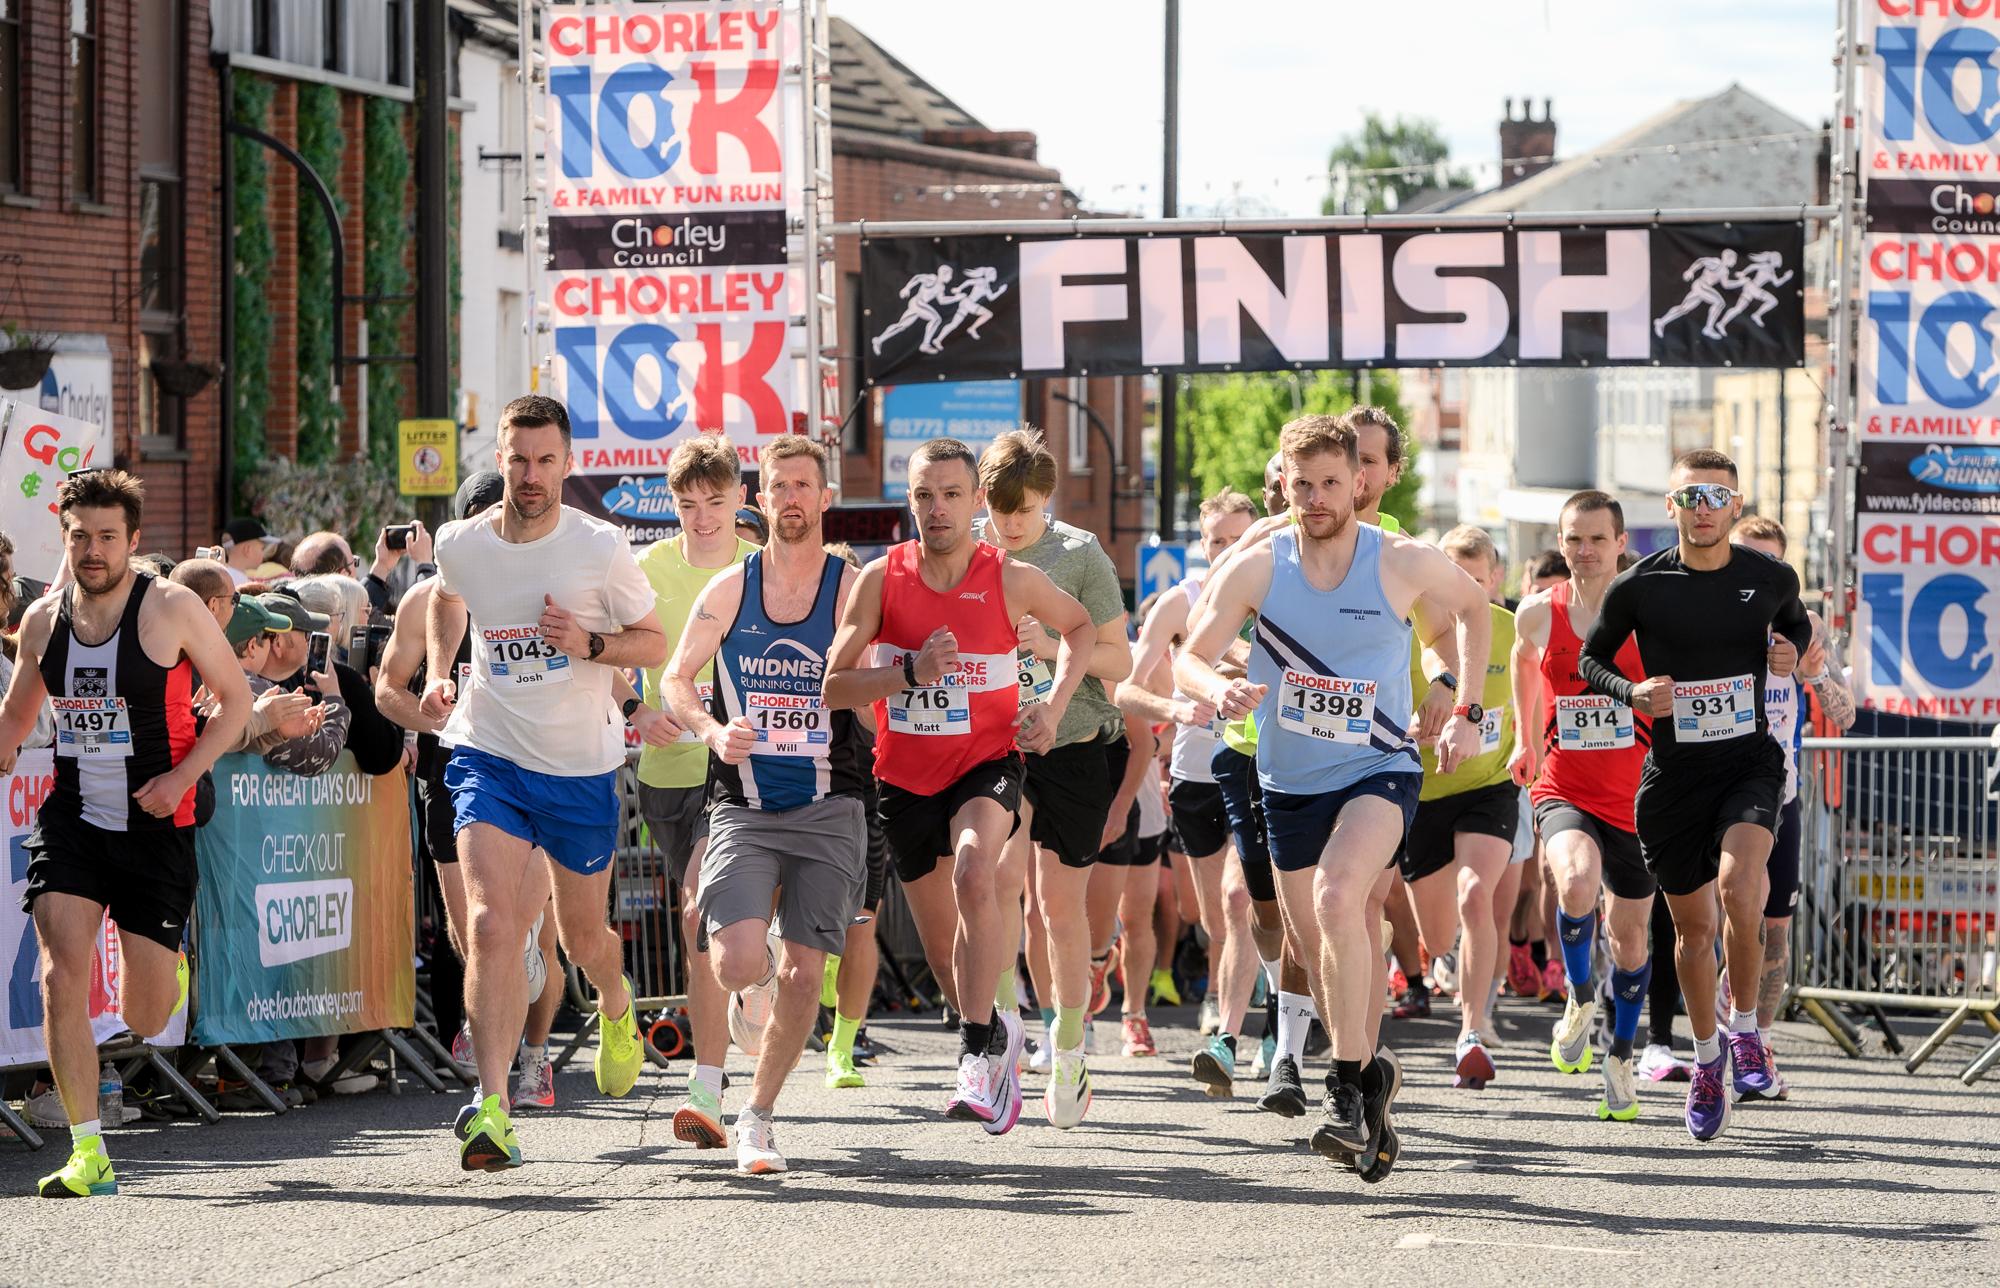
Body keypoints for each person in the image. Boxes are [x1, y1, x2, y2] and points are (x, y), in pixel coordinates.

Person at [1176, 414, 1491, 1180]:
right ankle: (1374, 1074)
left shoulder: (1400, 559)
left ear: (1360, 482)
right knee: (1317, 951)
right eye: (1300, 482)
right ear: (1281, 482)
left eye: (1330, 482)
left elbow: (1477, 608)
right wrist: (1218, 688)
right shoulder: (1259, 564)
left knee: (1338, 894)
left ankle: (1345, 1089)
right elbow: (1191, 656)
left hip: (1378, 766)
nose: (1315, 497)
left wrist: (1469, 708)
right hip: (1287, 780)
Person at [419, 395, 666, 1171]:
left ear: (567, 462)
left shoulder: (598, 547)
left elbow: (653, 640)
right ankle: (491, 1106)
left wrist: (589, 641)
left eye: (545, 460)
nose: (531, 475)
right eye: (518, 459)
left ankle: (616, 1004)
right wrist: (438, 672)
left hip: (579, 766)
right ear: (501, 458)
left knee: (584, 937)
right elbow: (447, 599)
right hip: (488, 750)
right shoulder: (461, 543)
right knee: (492, 926)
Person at [823, 436, 1093, 1134]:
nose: (936, 509)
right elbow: (832, 685)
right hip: (905, 775)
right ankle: (993, 1035)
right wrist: (907, 674)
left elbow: (1082, 629)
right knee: (949, 952)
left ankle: (975, 1055)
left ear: (977, 502)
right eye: (923, 495)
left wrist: (1053, 709)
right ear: (908, 502)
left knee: (977, 874)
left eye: (951, 495)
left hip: (987, 761)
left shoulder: (1009, 577)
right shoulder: (882, 579)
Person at [0, 471, 252, 1197]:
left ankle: (164, 972)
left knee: (145, 1011)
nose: (93, 550)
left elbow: (235, 702)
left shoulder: (169, 608)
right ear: (65, 537)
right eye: (80, 536)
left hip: (156, 822)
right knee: (60, 972)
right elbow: (17, 723)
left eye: (108, 537)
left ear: (134, 541)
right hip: (75, 818)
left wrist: (183, 777)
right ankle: (87, 1150)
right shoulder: (45, 621)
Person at [1578, 448, 1811, 1142]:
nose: (1703, 508)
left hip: (1749, 762)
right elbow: (1594, 659)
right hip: (1674, 776)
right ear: (1671, 506)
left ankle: (1745, 1034)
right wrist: (1632, 692)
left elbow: (1795, 620)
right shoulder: (1640, 586)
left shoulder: (1768, 575)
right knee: (1693, 930)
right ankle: (1707, 1059)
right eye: (1689, 497)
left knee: (1744, 888)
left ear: (1735, 505)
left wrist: (1791, 650)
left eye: (1716, 495)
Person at [661, 434, 867, 1174]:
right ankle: (759, 961)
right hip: (743, 805)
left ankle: (757, 1117)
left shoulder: (852, 591)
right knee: (735, 963)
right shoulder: (729, 589)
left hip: (829, 801)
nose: (791, 499)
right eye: (778, 486)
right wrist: (714, 730)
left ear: (823, 498)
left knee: (807, 974)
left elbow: (883, 683)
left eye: (804, 486)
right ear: (763, 498)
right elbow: (676, 680)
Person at [973, 429, 1132, 1129]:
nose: (1011, 525)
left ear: (1047, 500)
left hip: (1073, 744)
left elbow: (1123, 663)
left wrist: (1050, 641)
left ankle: (1068, 1048)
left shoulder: (1078, 553)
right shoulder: (966, 551)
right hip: (993, 746)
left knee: (1055, 909)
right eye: (1002, 510)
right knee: (997, 882)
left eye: (1026, 511)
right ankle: (1005, 1024)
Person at [622, 435, 759, 1149]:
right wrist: (633, 710)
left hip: (746, 771)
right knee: (698, 923)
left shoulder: (760, 571)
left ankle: (704, 1085)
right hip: (667, 774)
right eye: (687, 504)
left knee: (699, 903)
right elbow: (602, 649)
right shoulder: (645, 570)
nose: (702, 517)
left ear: (741, 498)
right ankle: (745, 987)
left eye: (715, 501)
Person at [1509, 491, 1656, 1121]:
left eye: (1597, 538)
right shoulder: (1539, 614)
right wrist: (1523, 734)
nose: (1585, 551)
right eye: (1574, 538)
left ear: (1621, 543)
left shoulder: (1650, 616)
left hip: (1640, 798)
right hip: (1564, 785)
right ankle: (1577, 994)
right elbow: (1522, 661)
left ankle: (1620, 1056)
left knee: (1629, 937)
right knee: (1573, 880)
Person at [1116, 490, 1258, 1088]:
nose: (1227, 551)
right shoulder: (1181, 603)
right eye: (1216, 541)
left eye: (1238, 540)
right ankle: (1231, 1000)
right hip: (1197, 772)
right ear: (1202, 545)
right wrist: (1176, 706)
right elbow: (1126, 687)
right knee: (1211, 916)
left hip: (1267, 766)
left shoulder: (1281, 593)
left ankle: (1252, 1031)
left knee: (1241, 900)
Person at [1728, 515, 1856, 1099]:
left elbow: (1846, 713)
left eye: (1769, 562)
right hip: (1716, 787)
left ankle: (1757, 1042)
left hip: (1781, 793)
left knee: (1774, 930)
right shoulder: (1710, 617)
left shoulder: (1806, 625)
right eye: (1746, 557)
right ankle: (1719, 1036)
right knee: (1725, 917)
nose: (1758, 572)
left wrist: (1814, 674)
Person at [1396, 526, 1519, 1090]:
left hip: (1488, 787)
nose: (1463, 587)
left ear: (1495, 580)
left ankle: (1473, 1026)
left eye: (1475, 576)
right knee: (1439, 933)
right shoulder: (1409, 634)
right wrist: (1417, 730)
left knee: (1477, 895)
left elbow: (1540, 702)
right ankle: (1445, 960)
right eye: (1453, 575)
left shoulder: (1513, 634)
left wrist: (1531, 747)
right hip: (1422, 794)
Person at [817, 541, 888, 1092]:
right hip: (801, 796)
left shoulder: (877, 642)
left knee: (862, 924)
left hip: (868, 794)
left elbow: (873, 720)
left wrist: (869, 677)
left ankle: (842, 1048)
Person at [220, 517, 279, 587]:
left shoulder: (221, 576)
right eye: (262, 549)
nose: (263, 554)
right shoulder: (240, 583)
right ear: (247, 550)